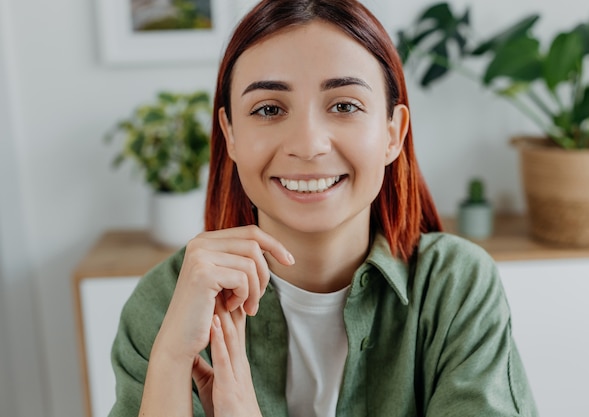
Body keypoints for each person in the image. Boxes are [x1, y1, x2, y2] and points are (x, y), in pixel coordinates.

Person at [108, 0, 539, 416]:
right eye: (270, 109)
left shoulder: (453, 287)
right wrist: (169, 360)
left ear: (393, 133)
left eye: (345, 105)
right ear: (230, 134)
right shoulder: (168, 302)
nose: (308, 144)